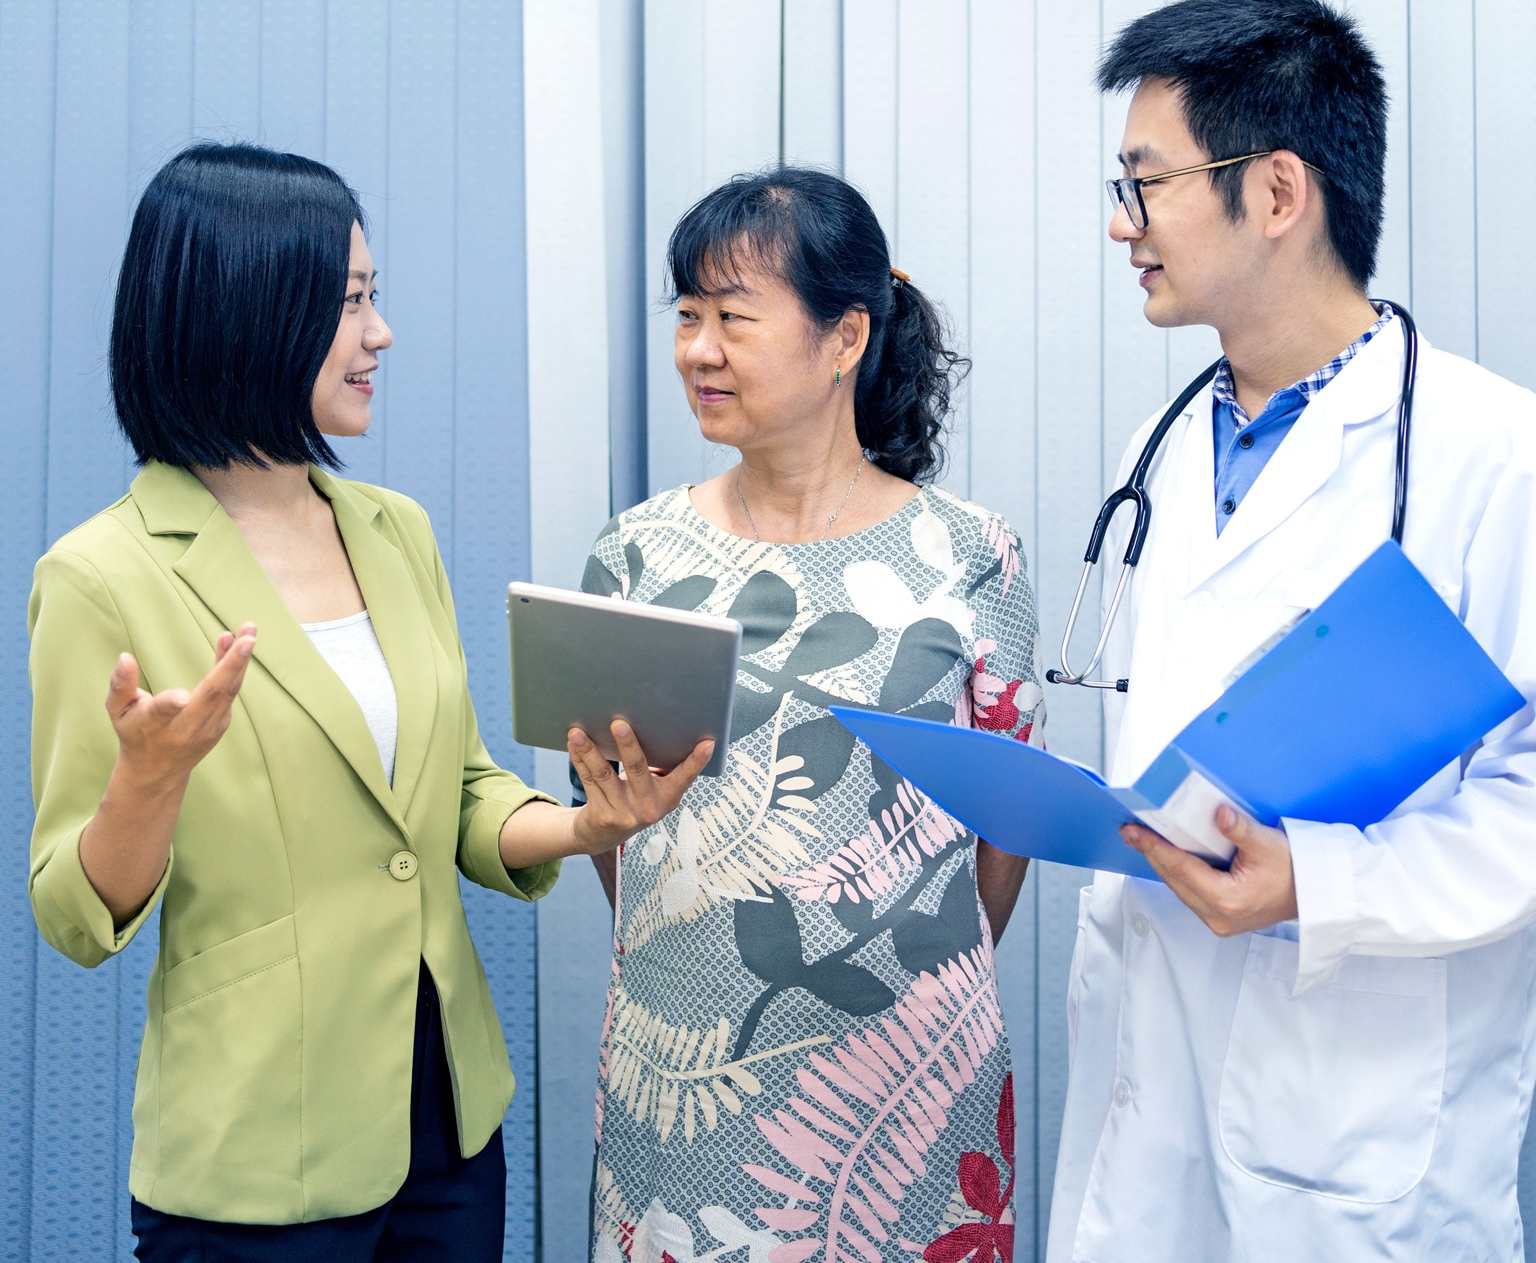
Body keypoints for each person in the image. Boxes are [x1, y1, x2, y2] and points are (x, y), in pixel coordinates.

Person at [27, 143, 709, 1262]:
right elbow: (73, 913)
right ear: (248, 314)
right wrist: (150, 777)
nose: (379, 334)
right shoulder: (101, 574)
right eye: (349, 304)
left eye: (374, 297)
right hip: (254, 1151)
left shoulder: (395, 532)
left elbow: (456, 795)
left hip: (445, 1128)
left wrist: (590, 825)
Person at [1046, 0, 1536, 1260]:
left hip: (1363, 1135)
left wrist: (1316, 882)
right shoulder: (1169, 452)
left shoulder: (1495, 459)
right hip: (1157, 1101)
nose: (1121, 223)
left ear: (1274, 192)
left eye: (1145, 184)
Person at [574, 168, 1041, 1261]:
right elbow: (609, 818)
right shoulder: (634, 557)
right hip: (679, 1075)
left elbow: (1007, 822)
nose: (698, 349)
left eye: (733, 318)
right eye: (687, 317)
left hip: (911, 1086)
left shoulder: (971, 553)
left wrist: (902, 971)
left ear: (845, 339)